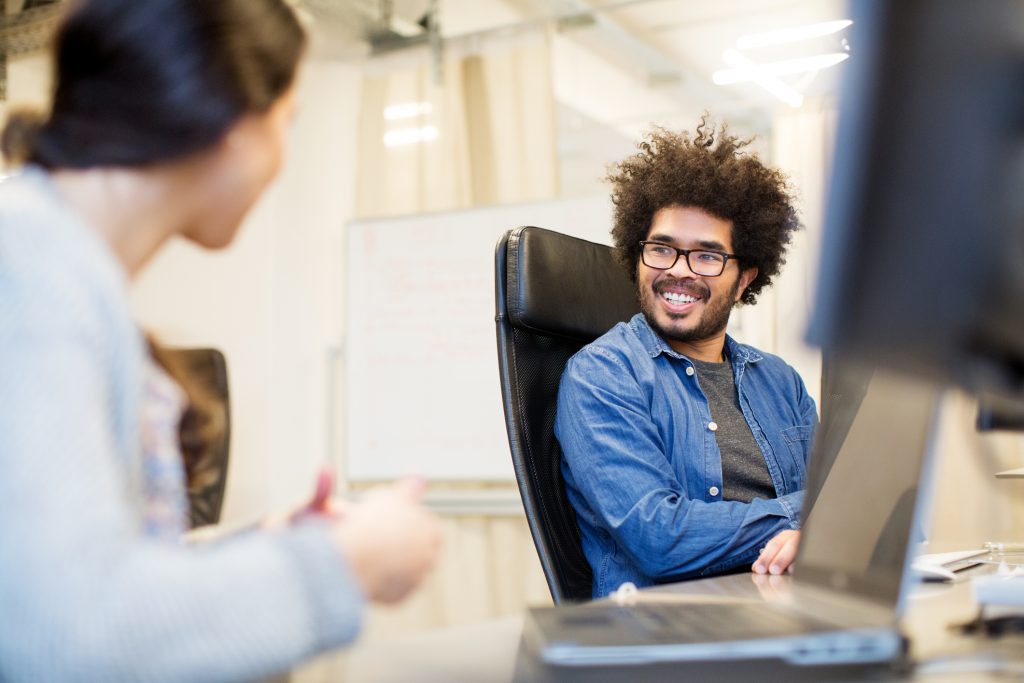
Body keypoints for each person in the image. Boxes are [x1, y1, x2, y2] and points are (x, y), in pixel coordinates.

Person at [0, 1, 440, 681]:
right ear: (230, 121)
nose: (282, 157)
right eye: (287, 122)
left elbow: (76, 585)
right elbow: (66, 636)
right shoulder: (32, 268)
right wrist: (345, 561)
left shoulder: (59, 265)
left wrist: (259, 552)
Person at [555, 119, 816, 598]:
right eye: (662, 249)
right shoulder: (602, 375)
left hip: (790, 610)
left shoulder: (783, 383)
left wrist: (817, 534)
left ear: (743, 279)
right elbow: (661, 538)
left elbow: (856, 509)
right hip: (667, 636)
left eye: (707, 257)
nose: (678, 272)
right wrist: (814, 520)